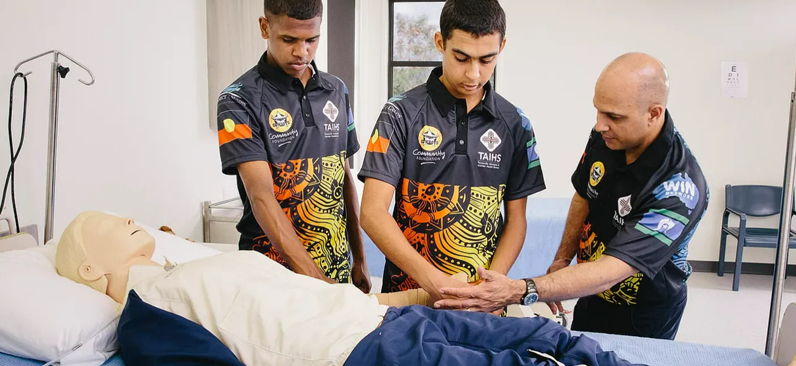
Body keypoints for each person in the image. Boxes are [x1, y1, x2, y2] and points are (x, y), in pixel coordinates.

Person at [55, 211, 642, 366]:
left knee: (536, 333)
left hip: (379, 322)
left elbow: (320, 298)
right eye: (104, 223)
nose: (123, 218)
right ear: (87, 268)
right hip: (351, 355)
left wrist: (426, 294)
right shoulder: (146, 316)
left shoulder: (200, 264)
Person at [434, 53, 709, 340]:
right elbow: (584, 194)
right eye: (598, 111)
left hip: (643, 311)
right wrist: (562, 259)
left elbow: (611, 270)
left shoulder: (679, 189)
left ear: (653, 113)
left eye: (613, 116)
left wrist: (521, 290)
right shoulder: (608, 135)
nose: (600, 124)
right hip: (592, 293)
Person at [358, 0, 546, 305]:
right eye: (461, 57)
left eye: (487, 60)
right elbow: (372, 213)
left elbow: (516, 220)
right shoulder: (399, 114)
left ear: (502, 47)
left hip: (481, 304)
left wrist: (488, 290)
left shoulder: (516, 123)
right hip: (409, 298)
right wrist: (438, 284)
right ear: (439, 43)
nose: (473, 74)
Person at [216, 0, 369, 291]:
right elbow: (260, 197)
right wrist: (314, 280)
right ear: (265, 27)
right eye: (289, 40)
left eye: (312, 40)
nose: (302, 52)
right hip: (271, 277)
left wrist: (359, 258)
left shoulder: (337, 90)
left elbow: (343, 177)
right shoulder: (237, 100)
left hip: (337, 272)